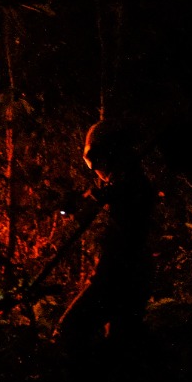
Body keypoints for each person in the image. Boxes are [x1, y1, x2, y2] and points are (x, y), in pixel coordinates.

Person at [57, 121, 156, 363]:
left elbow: (127, 209)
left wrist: (97, 199)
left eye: (95, 159)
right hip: (128, 276)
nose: (94, 169)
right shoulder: (123, 185)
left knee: (71, 330)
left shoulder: (130, 186)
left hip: (118, 277)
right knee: (120, 346)